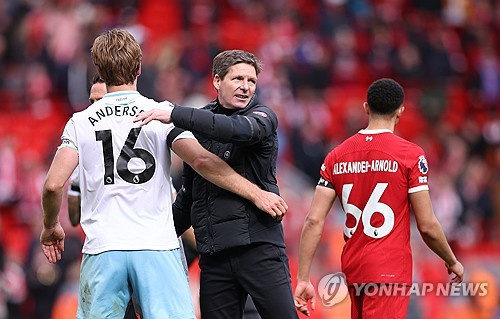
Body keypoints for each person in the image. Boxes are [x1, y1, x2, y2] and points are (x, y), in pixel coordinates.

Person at [40, 30, 287, 319]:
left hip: (103, 249)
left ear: (100, 70)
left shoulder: (80, 122)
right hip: (156, 247)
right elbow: (202, 162)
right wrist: (257, 193)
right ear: (140, 68)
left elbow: (53, 185)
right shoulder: (159, 114)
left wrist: (50, 227)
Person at [134, 49, 299, 319]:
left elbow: (235, 129)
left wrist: (175, 113)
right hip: (214, 255)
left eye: (252, 81)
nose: (246, 87)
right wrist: (150, 241)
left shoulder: (262, 117)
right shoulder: (195, 123)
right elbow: (189, 198)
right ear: (217, 81)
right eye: (238, 79)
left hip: (258, 248)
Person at [293, 78, 464, 318]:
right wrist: (451, 260)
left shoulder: (336, 156)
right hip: (389, 270)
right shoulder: (410, 155)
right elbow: (427, 225)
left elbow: (313, 221)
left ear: (366, 108)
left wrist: (302, 277)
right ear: (401, 111)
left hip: (354, 268)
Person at [67, 74, 106, 227]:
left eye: (101, 100)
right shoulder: (86, 142)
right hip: (103, 239)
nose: (95, 107)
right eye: (92, 101)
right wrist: (76, 183)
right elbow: (74, 219)